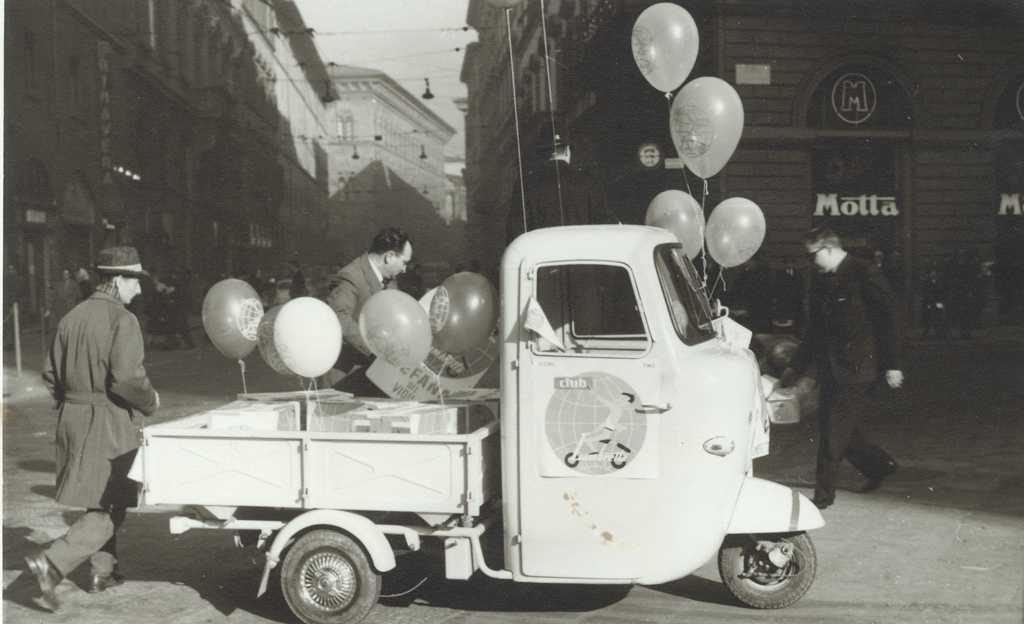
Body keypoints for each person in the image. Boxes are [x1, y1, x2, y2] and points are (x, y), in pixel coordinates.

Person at [26, 246, 160, 611]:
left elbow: (51, 374)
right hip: (109, 422)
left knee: (102, 500)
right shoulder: (123, 321)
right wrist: (151, 402)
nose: (139, 290)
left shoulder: (71, 318)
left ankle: (103, 571)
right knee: (108, 506)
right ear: (117, 279)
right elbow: (128, 379)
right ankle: (50, 564)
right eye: (135, 281)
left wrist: (73, 404)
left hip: (74, 418)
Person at [780, 226, 904, 510]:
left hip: (860, 368)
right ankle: (879, 466)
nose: (809, 262)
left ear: (828, 248)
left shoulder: (863, 272)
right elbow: (815, 330)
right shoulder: (820, 279)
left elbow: (889, 320)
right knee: (842, 430)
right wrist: (795, 367)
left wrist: (893, 364)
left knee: (832, 431)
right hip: (832, 368)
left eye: (812, 256)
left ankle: (823, 497)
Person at [324, 227, 413, 396]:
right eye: (404, 262)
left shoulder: (388, 280)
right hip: (346, 377)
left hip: (373, 374)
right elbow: (338, 318)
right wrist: (377, 348)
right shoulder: (351, 276)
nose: (405, 269)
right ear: (389, 257)